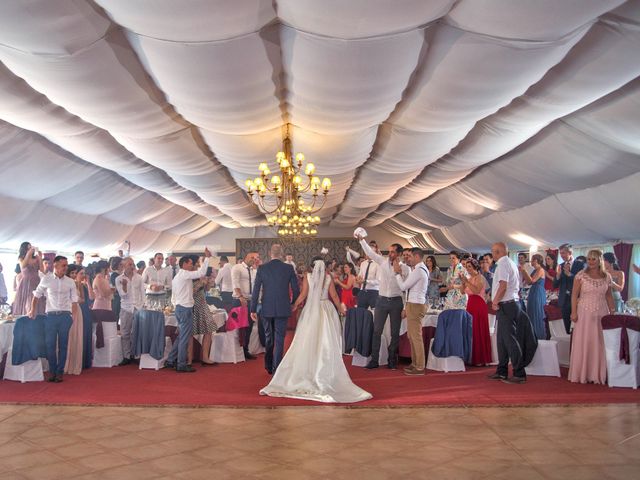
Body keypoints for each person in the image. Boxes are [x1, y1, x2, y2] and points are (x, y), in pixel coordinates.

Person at [260, 257, 371, 403]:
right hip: (325, 310)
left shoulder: (308, 276)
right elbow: (334, 296)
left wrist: (294, 305)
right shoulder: (328, 278)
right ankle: (324, 371)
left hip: (310, 312)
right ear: (324, 267)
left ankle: (307, 370)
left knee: (307, 340)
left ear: (312, 267)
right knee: (326, 342)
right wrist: (341, 308)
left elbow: (303, 294)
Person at [357, 234, 410, 370]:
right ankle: (374, 360)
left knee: (394, 332)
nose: (390, 253)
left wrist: (406, 307)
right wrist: (361, 240)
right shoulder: (382, 261)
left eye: (393, 251)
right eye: (389, 251)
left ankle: (392, 359)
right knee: (377, 331)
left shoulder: (405, 268)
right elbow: (369, 252)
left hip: (396, 301)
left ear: (398, 254)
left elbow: (408, 289)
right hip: (381, 300)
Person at [250, 244, 300, 375]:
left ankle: (268, 364)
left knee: (268, 336)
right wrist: (293, 302)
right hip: (283, 306)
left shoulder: (262, 268)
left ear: (270, 254)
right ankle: (277, 367)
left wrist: (253, 308)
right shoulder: (288, 268)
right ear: (282, 254)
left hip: (266, 306)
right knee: (279, 338)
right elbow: (296, 289)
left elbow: (255, 290)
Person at [568, 250, 615, 384]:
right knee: (585, 341)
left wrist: (612, 313)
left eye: (594, 259)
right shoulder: (581, 275)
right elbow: (574, 295)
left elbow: (609, 296)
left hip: (602, 313)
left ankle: (598, 374)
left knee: (599, 342)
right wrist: (574, 312)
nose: (591, 261)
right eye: (589, 259)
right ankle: (582, 373)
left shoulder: (607, 277)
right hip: (584, 313)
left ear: (599, 260)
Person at [30, 255, 78, 383]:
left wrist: (73, 317)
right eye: (64, 265)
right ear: (55, 265)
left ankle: (59, 372)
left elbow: (74, 301)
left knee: (63, 345)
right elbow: (36, 295)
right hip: (50, 316)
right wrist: (32, 310)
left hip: (65, 316)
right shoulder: (46, 279)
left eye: (66, 265)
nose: (66, 268)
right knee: (50, 345)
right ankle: (52, 371)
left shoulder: (70, 281)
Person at [165, 248, 212, 373]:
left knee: (182, 337)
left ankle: (170, 360)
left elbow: (173, 296)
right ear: (184, 264)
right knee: (184, 338)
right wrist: (207, 258)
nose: (192, 265)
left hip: (180, 308)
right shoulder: (184, 274)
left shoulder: (177, 277)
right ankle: (181, 364)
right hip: (185, 309)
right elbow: (201, 272)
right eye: (191, 263)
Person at [489, 242, 527, 384]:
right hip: (510, 303)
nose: (492, 254)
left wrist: (495, 301)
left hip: (507, 304)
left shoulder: (503, 264)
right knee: (501, 340)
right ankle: (502, 370)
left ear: (498, 252)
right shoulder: (509, 262)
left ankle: (519, 372)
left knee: (510, 340)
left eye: (493, 251)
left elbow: (503, 286)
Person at [393, 248, 429, 375]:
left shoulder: (419, 270)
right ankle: (415, 364)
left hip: (416, 304)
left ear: (417, 256)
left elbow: (403, 286)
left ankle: (419, 367)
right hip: (414, 304)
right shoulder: (419, 269)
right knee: (412, 336)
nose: (409, 259)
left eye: (411, 257)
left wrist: (397, 274)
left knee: (416, 337)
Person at [459, 258, 492, 366]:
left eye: (469, 266)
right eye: (466, 267)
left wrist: (467, 282)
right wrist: (463, 282)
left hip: (479, 305)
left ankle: (480, 358)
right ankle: (471, 357)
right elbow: (462, 291)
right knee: (471, 330)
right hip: (470, 304)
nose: (467, 269)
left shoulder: (480, 277)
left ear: (475, 267)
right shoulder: (468, 278)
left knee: (478, 330)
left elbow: (476, 291)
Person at [115, 257, 145, 365]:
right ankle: (126, 356)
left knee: (137, 333)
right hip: (125, 308)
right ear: (123, 266)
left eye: (132, 264)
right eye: (129, 264)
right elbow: (123, 295)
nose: (132, 266)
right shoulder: (118, 279)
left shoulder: (139, 278)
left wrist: (141, 307)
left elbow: (143, 294)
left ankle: (136, 355)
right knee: (125, 333)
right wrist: (124, 286)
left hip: (137, 308)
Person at [232, 252, 258, 360]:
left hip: (250, 300)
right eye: (252, 257)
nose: (254, 259)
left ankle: (245, 350)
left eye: (255, 258)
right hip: (239, 300)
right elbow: (235, 283)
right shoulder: (237, 267)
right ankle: (238, 352)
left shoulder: (253, 270)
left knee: (249, 326)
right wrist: (241, 297)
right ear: (246, 257)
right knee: (240, 327)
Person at [554, 244, 583, 334]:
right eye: (560, 253)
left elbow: (582, 281)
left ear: (570, 252)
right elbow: (555, 285)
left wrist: (569, 274)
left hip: (577, 299)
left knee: (577, 326)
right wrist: (558, 275)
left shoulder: (580, 265)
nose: (561, 255)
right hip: (564, 300)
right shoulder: (560, 266)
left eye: (563, 253)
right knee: (566, 327)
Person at [191, 270, 218, 365]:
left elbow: (206, 290)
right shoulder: (189, 277)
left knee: (209, 330)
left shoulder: (200, 276)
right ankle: (188, 359)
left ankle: (205, 357)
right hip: (193, 306)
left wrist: (208, 283)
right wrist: (200, 283)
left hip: (203, 305)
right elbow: (190, 292)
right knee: (191, 333)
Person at [12, 242, 45, 316]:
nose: (31, 249)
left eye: (31, 247)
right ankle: (27, 316)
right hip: (26, 282)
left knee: (37, 299)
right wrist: (28, 254)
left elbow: (42, 270)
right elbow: (23, 265)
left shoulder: (36, 258)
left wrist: (40, 258)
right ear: (24, 249)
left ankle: (37, 316)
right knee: (27, 301)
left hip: (36, 281)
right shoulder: (21, 258)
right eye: (28, 247)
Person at [521, 254, 547, 340]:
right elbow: (527, 282)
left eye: (533, 260)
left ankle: (538, 335)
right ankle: (531, 334)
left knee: (537, 312)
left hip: (538, 293)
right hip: (533, 292)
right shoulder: (534, 270)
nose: (531, 261)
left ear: (537, 260)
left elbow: (532, 281)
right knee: (531, 311)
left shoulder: (541, 270)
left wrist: (524, 271)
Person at [75, 266, 94, 369]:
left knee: (86, 334)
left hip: (86, 311)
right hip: (78, 310)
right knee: (80, 335)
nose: (83, 275)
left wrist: (88, 283)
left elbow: (91, 298)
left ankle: (86, 361)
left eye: (84, 273)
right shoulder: (73, 285)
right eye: (81, 273)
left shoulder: (85, 286)